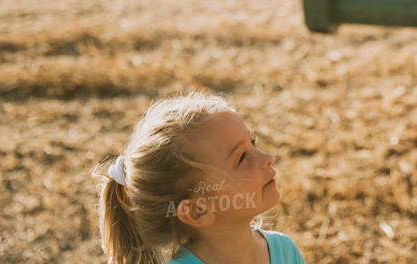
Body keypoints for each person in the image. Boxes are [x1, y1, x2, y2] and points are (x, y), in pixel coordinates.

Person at [92, 91, 307, 264]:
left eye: (253, 143)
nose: (267, 157)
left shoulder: (284, 250)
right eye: (242, 158)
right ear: (198, 210)